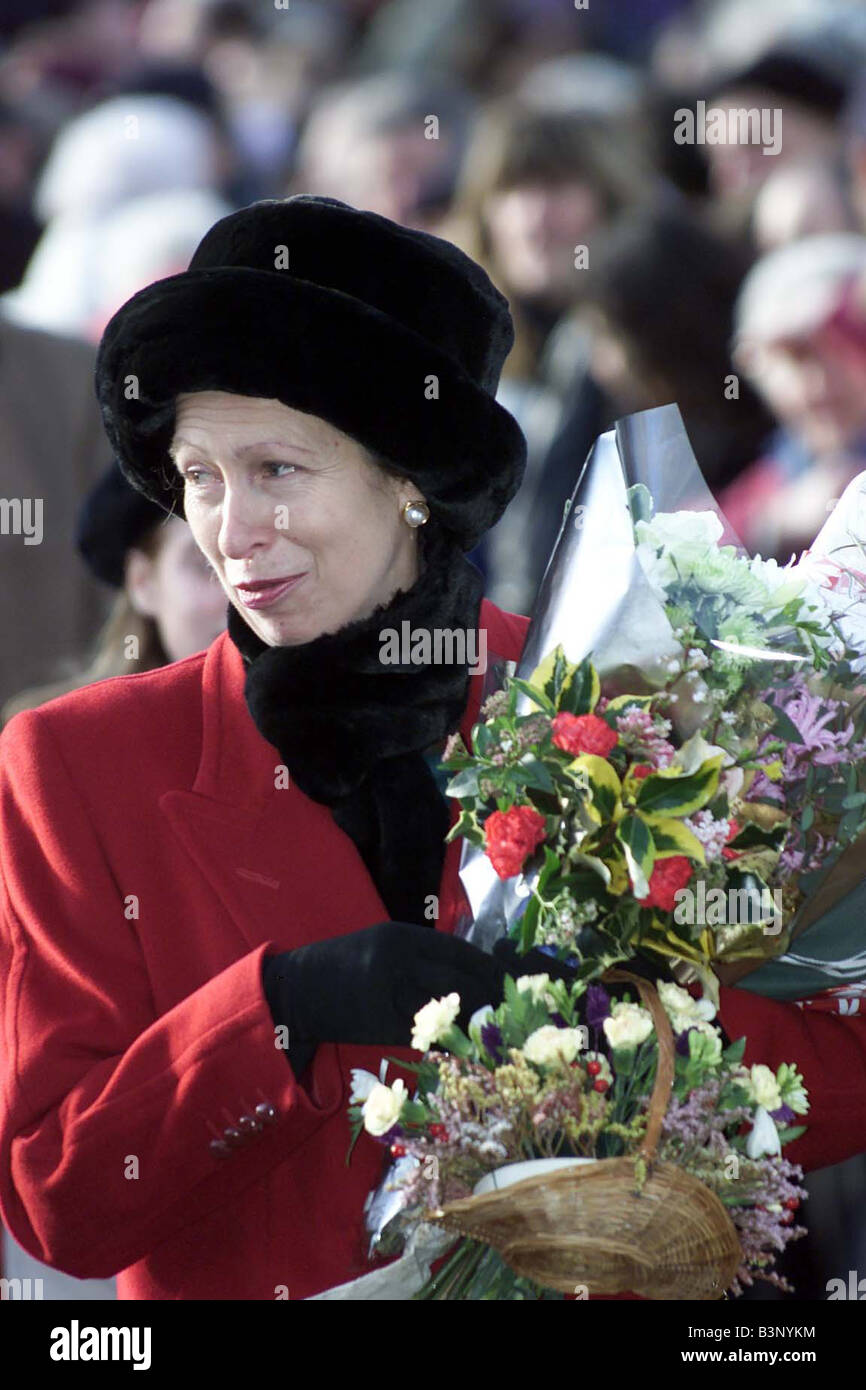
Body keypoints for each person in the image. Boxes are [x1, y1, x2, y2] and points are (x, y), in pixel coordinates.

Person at [0, 197, 864, 1303]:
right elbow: (62, 1199)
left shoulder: (617, 696)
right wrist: (278, 1012)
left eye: (277, 470)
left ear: (407, 479)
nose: (228, 528)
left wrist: (625, 1029)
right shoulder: (78, 763)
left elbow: (833, 1078)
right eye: (200, 476)